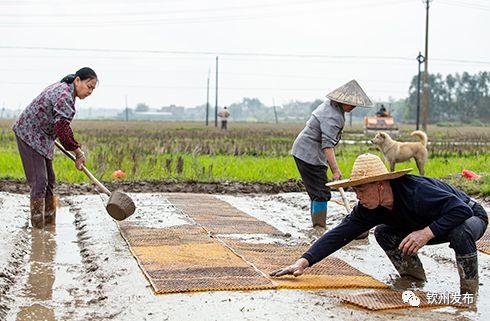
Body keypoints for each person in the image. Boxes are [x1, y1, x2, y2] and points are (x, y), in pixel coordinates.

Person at [270, 153, 488, 294]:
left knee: (460, 231)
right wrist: (303, 261)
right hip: (429, 225)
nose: (357, 196)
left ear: (381, 185)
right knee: (383, 232)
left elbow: (462, 210)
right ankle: (413, 279)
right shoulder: (368, 208)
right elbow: (340, 234)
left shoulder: (416, 191)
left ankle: (469, 292)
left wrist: (425, 233)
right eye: (355, 190)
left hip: (469, 217)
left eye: (361, 189)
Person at [12, 67, 98, 228]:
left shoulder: (65, 90)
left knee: (49, 180)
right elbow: (63, 129)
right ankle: (38, 229)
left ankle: (49, 224)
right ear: (77, 80)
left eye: (93, 88)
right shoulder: (64, 94)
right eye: (89, 86)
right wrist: (78, 153)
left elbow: (60, 126)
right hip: (29, 134)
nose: (90, 91)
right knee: (40, 181)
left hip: (43, 136)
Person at [291, 80, 373, 227]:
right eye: (351, 104)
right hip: (309, 154)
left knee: (318, 192)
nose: (353, 107)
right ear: (342, 101)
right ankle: (319, 228)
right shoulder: (333, 116)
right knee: (321, 194)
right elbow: (327, 145)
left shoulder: (330, 106)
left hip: (306, 152)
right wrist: (335, 170)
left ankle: (317, 224)